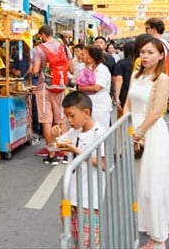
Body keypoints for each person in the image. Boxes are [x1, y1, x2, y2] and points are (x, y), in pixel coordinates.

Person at [123, 37, 169, 249]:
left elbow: (157, 112)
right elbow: (127, 102)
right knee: (139, 184)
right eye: (142, 52)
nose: (145, 56)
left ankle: (158, 239)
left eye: (150, 52)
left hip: (152, 133)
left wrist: (139, 131)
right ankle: (151, 232)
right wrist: (126, 126)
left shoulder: (162, 79)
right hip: (133, 131)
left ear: (161, 55)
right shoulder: (137, 75)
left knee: (152, 185)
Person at [55, 91, 106, 249]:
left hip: (90, 200)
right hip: (71, 197)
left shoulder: (100, 133)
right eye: (67, 116)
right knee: (72, 239)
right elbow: (54, 145)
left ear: (86, 113)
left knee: (89, 242)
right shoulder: (74, 132)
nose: (69, 120)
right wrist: (53, 136)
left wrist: (76, 151)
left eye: (72, 116)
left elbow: (103, 164)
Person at [32, 25, 71, 165]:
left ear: (42, 35)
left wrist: (32, 70)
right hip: (60, 87)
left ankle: (52, 154)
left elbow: (36, 70)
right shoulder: (64, 47)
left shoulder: (39, 49)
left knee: (46, 120)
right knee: (61, 120)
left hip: (44, 88)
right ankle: (65, 153)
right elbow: (71, 67)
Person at [77, 45, 112, 128]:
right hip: (85, 104)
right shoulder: (81, 67)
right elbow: (78, 82)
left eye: (84, 53)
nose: (81, 55)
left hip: (100, 107)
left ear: (92, 57)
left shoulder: (102, 69)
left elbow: (96, 88)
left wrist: (82, 88)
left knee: (99, 131)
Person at [113, 40, 137, 118]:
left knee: (122, 119)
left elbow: (119, 79)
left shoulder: (121, 63)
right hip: (138, 94)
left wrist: (117, 96)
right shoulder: (139, 64)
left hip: (124, 94)